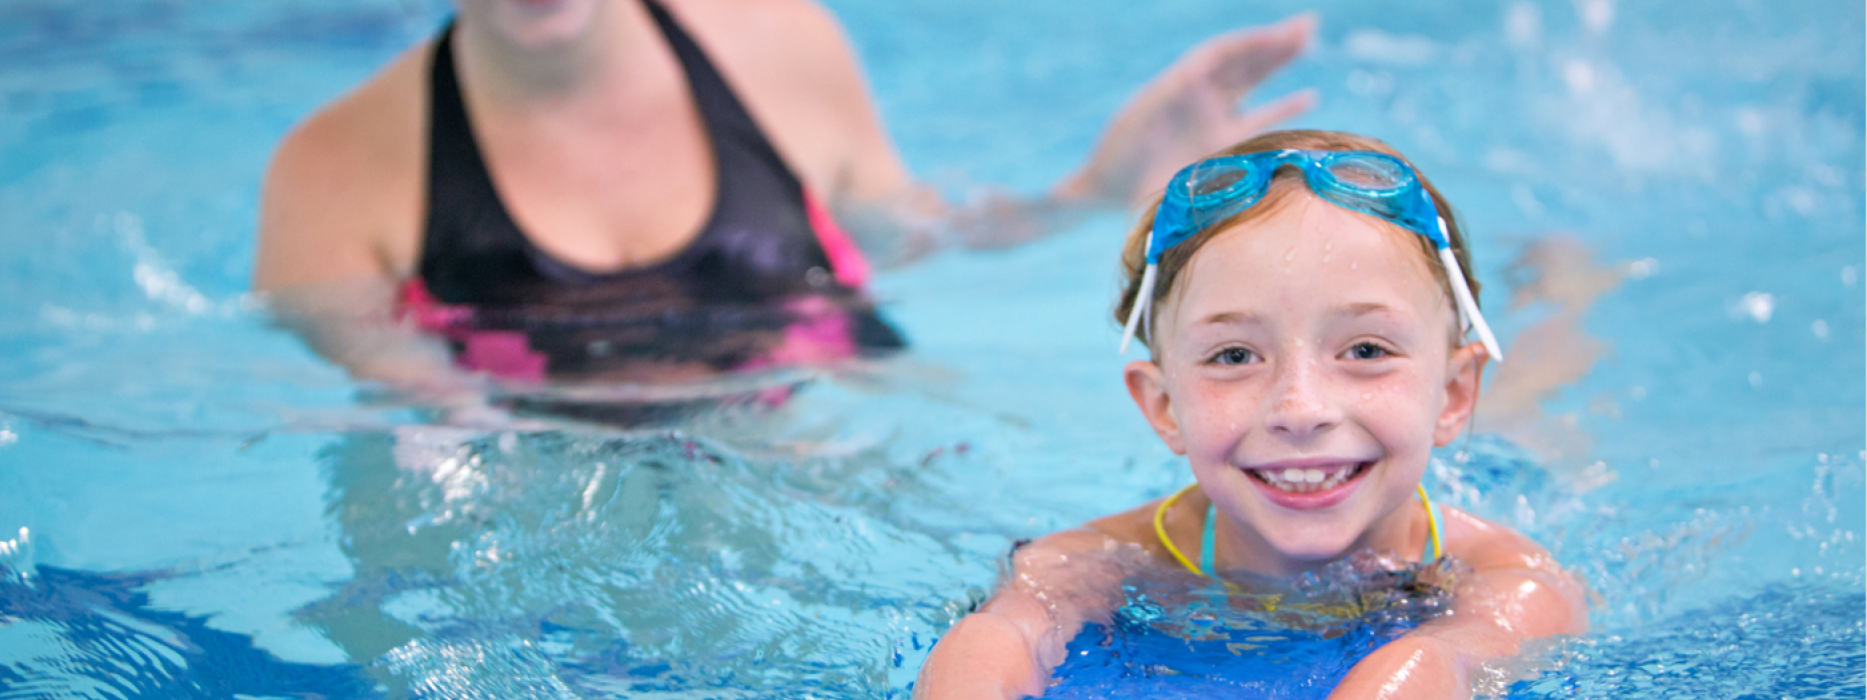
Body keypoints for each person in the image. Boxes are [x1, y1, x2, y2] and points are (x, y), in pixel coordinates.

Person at [250, 0, 1317, 395]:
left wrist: (1090, 194)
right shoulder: (333, 174)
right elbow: (423, 438)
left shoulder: (779, 47)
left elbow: (905, 241)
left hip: (820, 462)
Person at [912, 130, 1587, 698]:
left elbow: (1445, 660)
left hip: (1511, 469)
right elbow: (1001, 632)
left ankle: (1564, 288)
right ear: (1163, 405)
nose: (1301, 409)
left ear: (1454, 395)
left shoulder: (1510, 579)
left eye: (1365, 349)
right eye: (1235, 356)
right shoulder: (1101, 564)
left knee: (1532, 404)